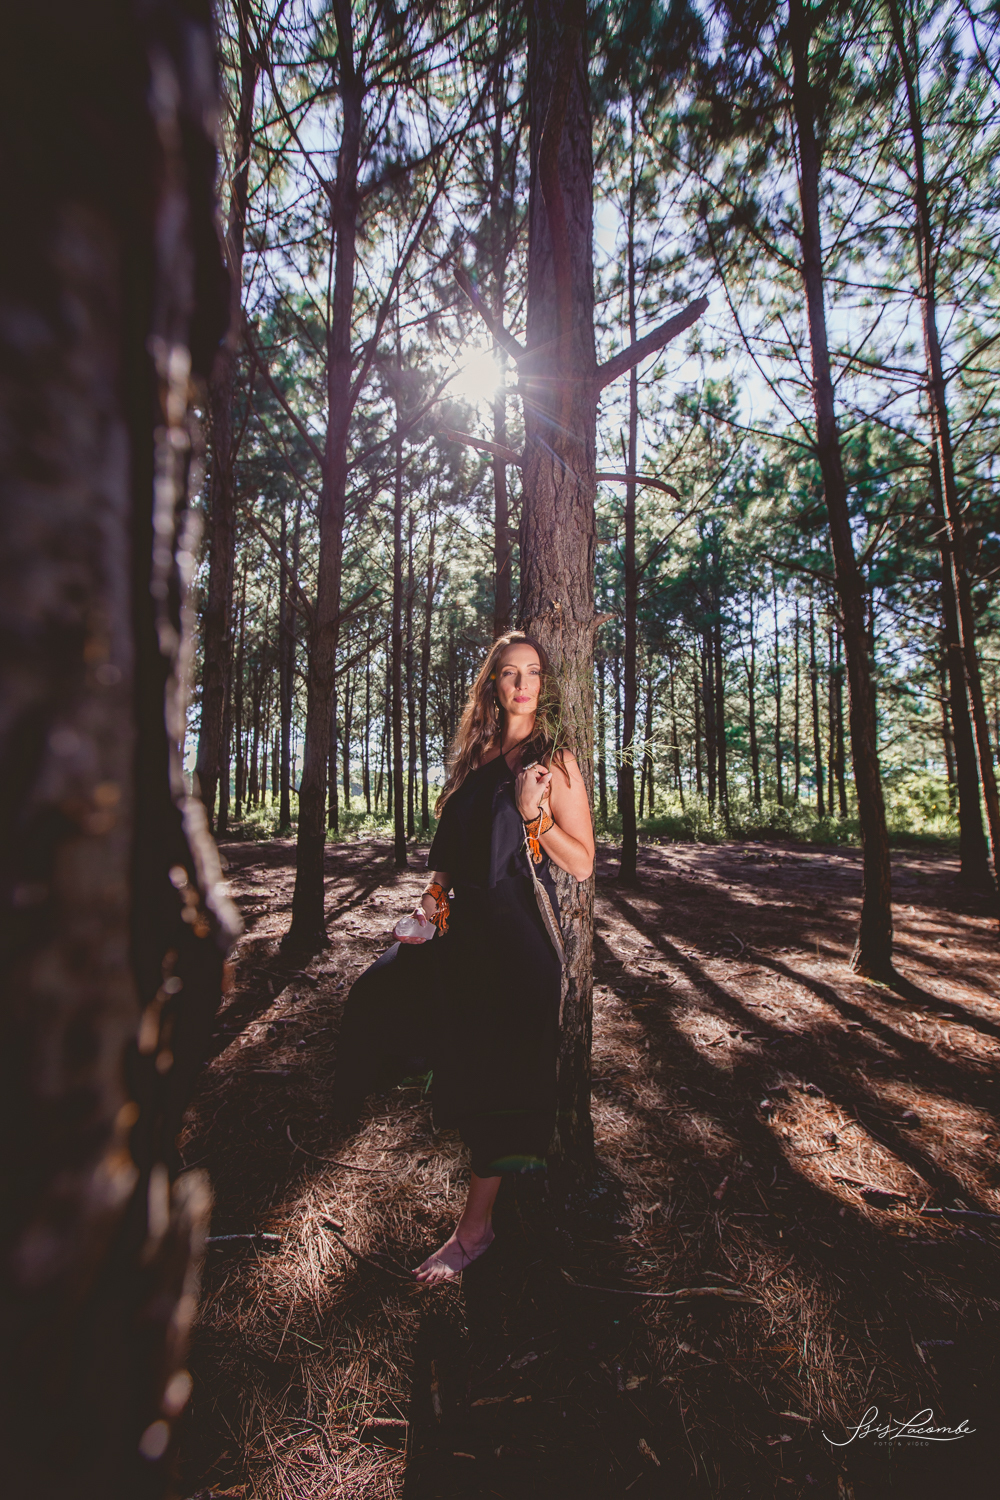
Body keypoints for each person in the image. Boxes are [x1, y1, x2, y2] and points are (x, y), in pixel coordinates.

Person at [331, 632, 595, 1285]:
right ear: (493, 685)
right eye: (509, 673)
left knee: (500, 1084)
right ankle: (356, 1120)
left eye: (533, 672)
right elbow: (449, 861)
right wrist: (429, 905)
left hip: (516, 943)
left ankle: (475, 1232)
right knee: (374, 999)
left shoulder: (553, 761)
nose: (522, 684)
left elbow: (584, 862)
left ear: (543, 685)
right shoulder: (476, 757)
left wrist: (536, 817)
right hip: (460, 935)